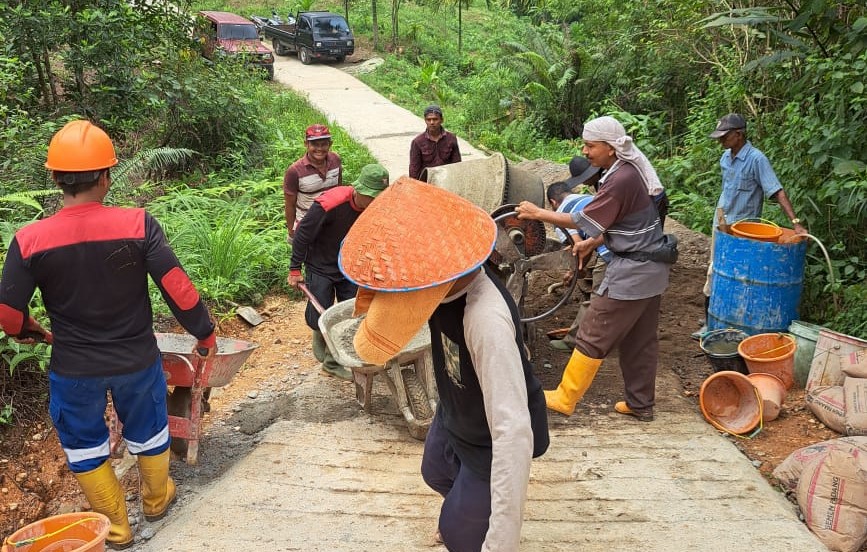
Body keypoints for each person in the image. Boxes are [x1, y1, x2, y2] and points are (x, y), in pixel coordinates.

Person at [0, 120, 216, 549]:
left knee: (83, 444)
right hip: (136, 359)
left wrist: (35, 332)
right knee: (150, 430)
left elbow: (7, 316)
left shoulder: (29, 240)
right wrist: (205, 334)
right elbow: (178, 287)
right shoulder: (138, 224)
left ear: (56, 178)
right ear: (105, 176)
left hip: (74, 367)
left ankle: (116, 526)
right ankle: (156, 501)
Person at [339, 177, 549, 552]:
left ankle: (469, 520)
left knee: (461, 539)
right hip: (459, 409)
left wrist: (500, 542)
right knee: (433, 471)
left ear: (437, 273)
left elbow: (513, 434)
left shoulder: (486, 320)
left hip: (491, 439)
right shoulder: (442, 289)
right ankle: (466, 506)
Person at [516, 115, 673, 422]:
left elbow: (580, 219)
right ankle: (640, 403)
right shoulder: (630, 171)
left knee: (593, 330)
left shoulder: (621, 179)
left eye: (590, 146)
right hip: (652, 271)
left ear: (612, 148)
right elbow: (628, 219)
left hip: (632, 272)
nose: (585, 152)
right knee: (640, 340)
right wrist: (594, 242)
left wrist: (538, 212)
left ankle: (565, 397)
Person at [692, 113, 807, 339]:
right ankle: (711, 322)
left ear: (739, 134)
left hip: (745, 232)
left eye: (725, 137)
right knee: (715, 272)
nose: (721, 141)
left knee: (740, 278)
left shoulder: (756, 159)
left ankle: (728, 322)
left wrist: (795, 223)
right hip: (722, 226)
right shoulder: (726, 158)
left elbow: (776, 191)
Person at [287, 163, 390, 381]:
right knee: (320, 312)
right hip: (320, 262)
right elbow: (302, 235)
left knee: (351, 311)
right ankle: (321, 337)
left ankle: (334, 362)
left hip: (349, 264)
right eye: (371, 197)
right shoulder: (329, 204)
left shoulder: (376, 208)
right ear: (359, 189)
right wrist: (295, 269)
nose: (375, 203)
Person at [545, 177, 613, 351]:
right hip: (626, 247)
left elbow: (578, 248)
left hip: (611, 251)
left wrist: (576, 271)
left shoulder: (561, 214)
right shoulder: (588, 199)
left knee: (597, 301)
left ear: (553, 202)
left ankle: (573, 341)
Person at [283, 124, 343, 243]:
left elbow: (339, 189)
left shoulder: (336, 160)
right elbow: (289, 205)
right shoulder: (294, 171)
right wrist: (291, 232)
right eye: (315, 144)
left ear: (330, 144)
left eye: (324, 144)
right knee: (309, 259)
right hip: (307, 225)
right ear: (306, 144)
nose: (319, 149)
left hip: (331, 223)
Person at [408, 104, 462, 181]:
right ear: (425, 120)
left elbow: (457, 165)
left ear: (441, 120)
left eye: (435, 119)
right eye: (428, 119)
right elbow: (414, 170)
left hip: (447, 180)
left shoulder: (451, 139)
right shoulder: (417, 142)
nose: (432, 122)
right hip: (426, 183)